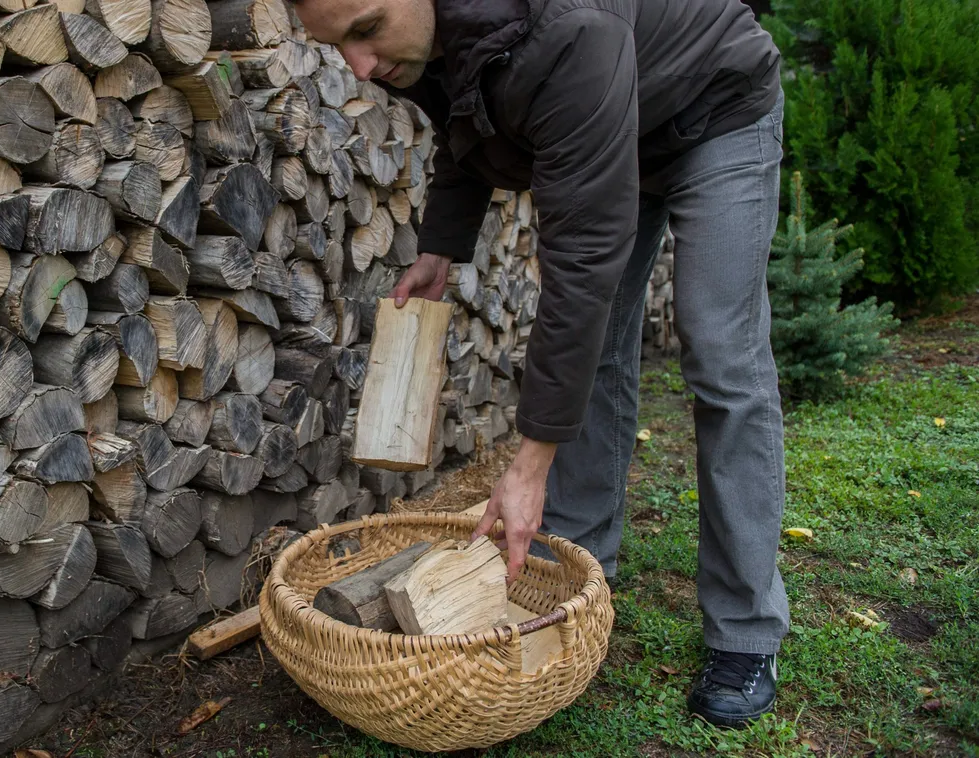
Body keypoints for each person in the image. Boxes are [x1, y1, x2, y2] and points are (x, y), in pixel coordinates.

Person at [290, 0, 790, 729]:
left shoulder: (563, 32)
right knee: (600, 350)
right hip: (612, 120)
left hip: (711, 109)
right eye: (337, 45)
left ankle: (745, 630)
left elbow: (581, 265)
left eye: (365, 30)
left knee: (721, 357)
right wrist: (442, 246)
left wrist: (528, 467)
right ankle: (578, 573)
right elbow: (466, 128)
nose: (359, 67)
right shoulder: (421, 37)